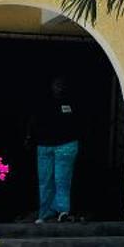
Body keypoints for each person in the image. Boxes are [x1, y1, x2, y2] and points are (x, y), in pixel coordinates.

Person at [34, 74, 80, 222]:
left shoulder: (73, 101)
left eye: (62, 84)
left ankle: (62, 211)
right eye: (56, 84)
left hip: (66, 145)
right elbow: (33, 120)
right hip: (45, 145)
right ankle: (45, 212)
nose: (59, 87)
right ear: (51, 86)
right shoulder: (42, 102)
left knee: (62, 180)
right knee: (45, 181)